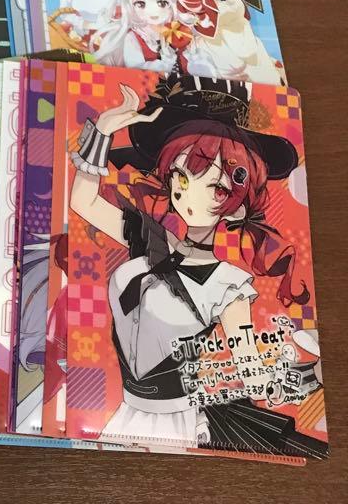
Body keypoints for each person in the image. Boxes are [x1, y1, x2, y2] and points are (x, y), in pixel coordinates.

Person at [68, 77, 325, 457]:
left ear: (236, 206)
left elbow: (251, 373)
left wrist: (310, 376)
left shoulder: (229, 285)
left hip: (175, 426)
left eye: (215, 187)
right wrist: (102, 130)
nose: (185, 192)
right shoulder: (148, 238)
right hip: (120, 415)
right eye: (182, 176)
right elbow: (82, 201)